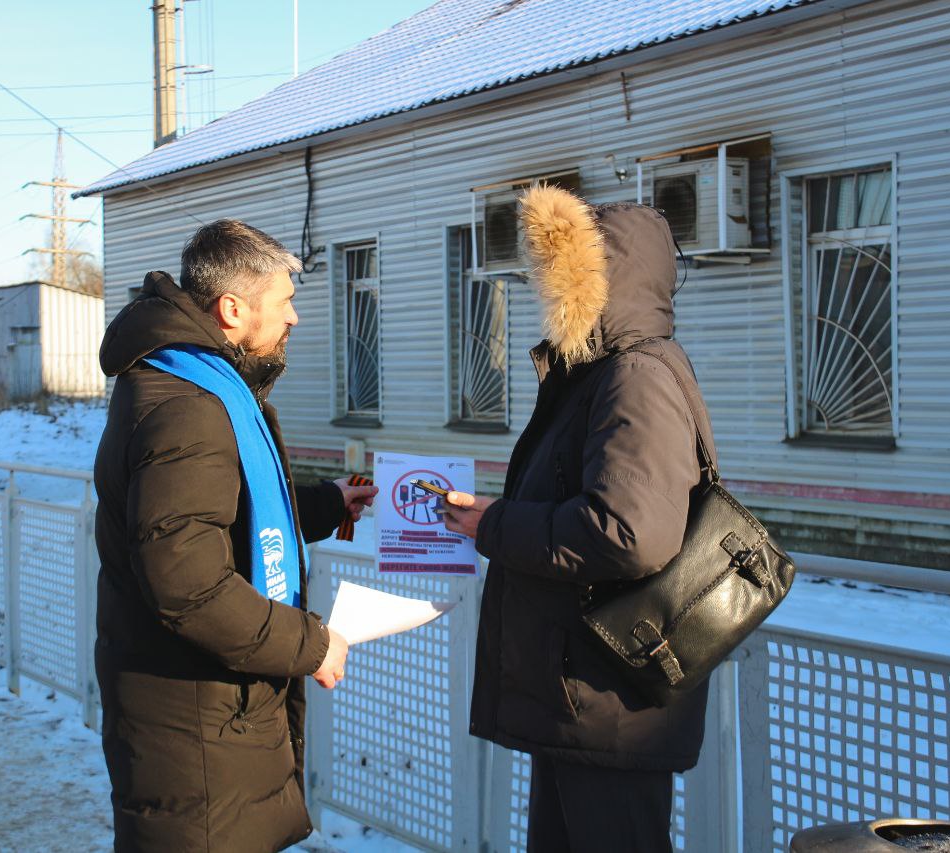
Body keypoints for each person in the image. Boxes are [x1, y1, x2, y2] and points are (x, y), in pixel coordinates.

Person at [443, 185, 715, 852]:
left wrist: (497, 526)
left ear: (602, 282)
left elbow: (632, 531)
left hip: (611, 704)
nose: (547, 292)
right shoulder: (597, 375)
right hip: (584, 700)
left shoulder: (636, 376)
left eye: (562, 276)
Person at [92, 219, 377, 852]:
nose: (296, 318)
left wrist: (327, 502)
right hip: (195, 732)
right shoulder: (189, 407)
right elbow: (188, 584)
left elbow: (220, 511)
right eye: (285, 302)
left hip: (205, 722)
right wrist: (310, 645)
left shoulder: (190, 384)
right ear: (232, 310)